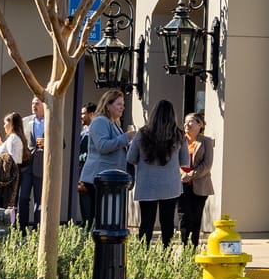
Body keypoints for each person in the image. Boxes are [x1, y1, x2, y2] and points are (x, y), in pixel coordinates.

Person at [129, 98, 183, 247]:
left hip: (147, 185)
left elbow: (131, 157)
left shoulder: (142, 134)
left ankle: (143, 254)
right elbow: (185, 161)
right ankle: (166, 256)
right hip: (170, 186)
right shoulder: (178, 135)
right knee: (168, 223)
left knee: (146, 222)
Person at [80, 92, 132, 224]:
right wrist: (126, 137)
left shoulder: (114, 123)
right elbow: (102, 146)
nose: (122, 107)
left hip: (109, 179)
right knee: (97, 219)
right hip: (98, 178)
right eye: (118, 104)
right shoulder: (100, 121)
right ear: (108, 105)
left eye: (123, 105)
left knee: (105, 218)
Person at [179, 111, 215, 250]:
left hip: (199, 186)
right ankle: (184, 247)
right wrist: (182, 173)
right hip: (181, 185)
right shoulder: (180, 141)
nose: (186, 124)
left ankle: (193, 249)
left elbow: (207, 164)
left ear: (200, 125)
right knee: (183, 217)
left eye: (191, 121)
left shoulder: (205, 141)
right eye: (185, 121)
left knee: (195, 218)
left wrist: (192, 174)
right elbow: (174, 161)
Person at [17, 97, 48, 228]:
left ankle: (37, 231)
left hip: (41, 167)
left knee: (40, 201)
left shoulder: (51, 121)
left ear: (44, 106)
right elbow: (18, 141)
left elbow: (61, 143)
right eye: (32, 103)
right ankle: (21, 230)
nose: (34, 106)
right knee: (22, 198)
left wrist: (48, 143)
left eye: (37, 103)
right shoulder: (25, 121)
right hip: (26, 166)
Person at [0, 112, 27, 213]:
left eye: (5, 123)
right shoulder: (13, 138)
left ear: (11, 124)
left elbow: (11, 159)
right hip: (8, 175)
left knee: (0, 204)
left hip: (7, 177)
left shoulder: (13, 138)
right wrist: (0, 143)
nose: (4, 126)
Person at [76, 100, 100, 226]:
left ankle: (89, 226)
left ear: (91, 114)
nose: (81, 116)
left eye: (83, 113)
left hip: (89, 172)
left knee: (89, 203)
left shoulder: (93, 131)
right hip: (81, 170)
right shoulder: (83, 130)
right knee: (84, 202)